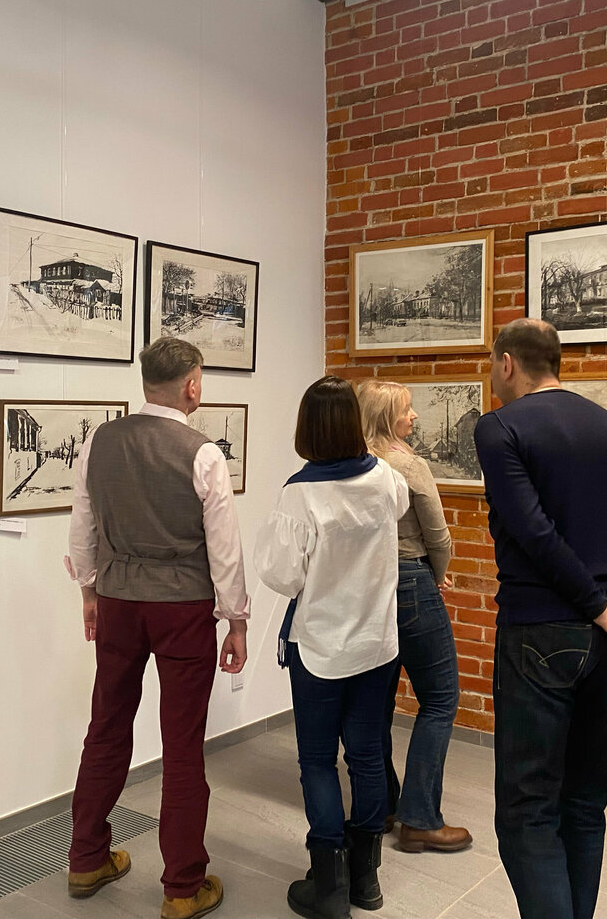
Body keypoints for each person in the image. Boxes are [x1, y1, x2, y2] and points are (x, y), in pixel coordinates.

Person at [474, 319, 607, 919]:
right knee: (584, 804)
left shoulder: (499, 427)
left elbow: (533, 532)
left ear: (507, 364)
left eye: (493, 364)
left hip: (540, 633)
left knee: (527, 811)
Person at [65, 337, 250, 919]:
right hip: (182, 607)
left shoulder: (99, 440)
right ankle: (182, 887)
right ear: (192, 386)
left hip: (119, 599)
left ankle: (86, 858)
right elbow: (225, 550)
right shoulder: (203, 453)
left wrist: (89, 591)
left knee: (106, 726)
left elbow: (82, 525)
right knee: (182, 744)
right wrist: (236, 620)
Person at [255, 376, 409, 919]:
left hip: (319, 647)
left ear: (307, 428)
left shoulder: (300, 494)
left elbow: (281, 575)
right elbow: (398, 508)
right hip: (377, 644)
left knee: (318, 761)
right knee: (367, 756)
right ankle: (367, 878)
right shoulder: (385, 478)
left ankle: (329, 885)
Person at [355, 379, 471, 854]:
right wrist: (437, 574)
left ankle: (381, 805)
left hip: (365, 587)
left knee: (376, 700)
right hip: (410, 580)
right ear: (388, 417)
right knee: (440, 699)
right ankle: (420, 818)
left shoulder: (349, 462)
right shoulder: (408, 465)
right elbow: (437, 535)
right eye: (406, 409)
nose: (415, 416)